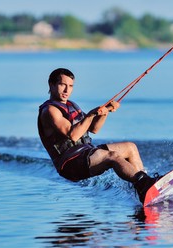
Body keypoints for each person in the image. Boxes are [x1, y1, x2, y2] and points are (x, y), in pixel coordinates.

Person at [38, 68, 159, 204]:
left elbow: (94, 129)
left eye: (70, 86)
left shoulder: (71, 105)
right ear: (51, 85)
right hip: (70, 164)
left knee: (130, 147)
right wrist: (91, 114)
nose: (67, 90)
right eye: (62, 85)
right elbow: (73, 135)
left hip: (85, 153)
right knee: (112, 157)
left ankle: (144, 189)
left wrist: (105, 112)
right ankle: (144, 183)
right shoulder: (50, 111)